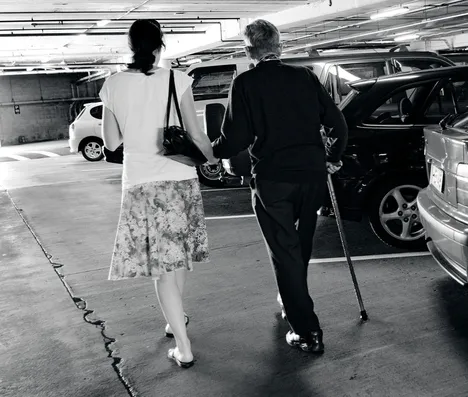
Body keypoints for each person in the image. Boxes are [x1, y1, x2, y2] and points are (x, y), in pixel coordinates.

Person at [212, 19, 348, 354]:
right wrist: (332, 155)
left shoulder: (245, 83)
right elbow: (338, 123)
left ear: (248, 52)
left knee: (285, 254)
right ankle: (292, 300)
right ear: (280, 46)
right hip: (312, 177)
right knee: (298, 247)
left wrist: (211, 150)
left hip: (273, 181)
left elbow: (235, 141)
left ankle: (307, 331)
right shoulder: (304, 76)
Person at [99, 19, 218, 368]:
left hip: (141, 184)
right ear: (159, 45)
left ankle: (183, 347)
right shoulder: (177, 79)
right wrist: (215, 157)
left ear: (131, 44)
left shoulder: (113, 85)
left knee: (163, 270)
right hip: (180, 177)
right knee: (177, 259)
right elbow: (196, 134)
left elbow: (110, 142)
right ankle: (175, 320)